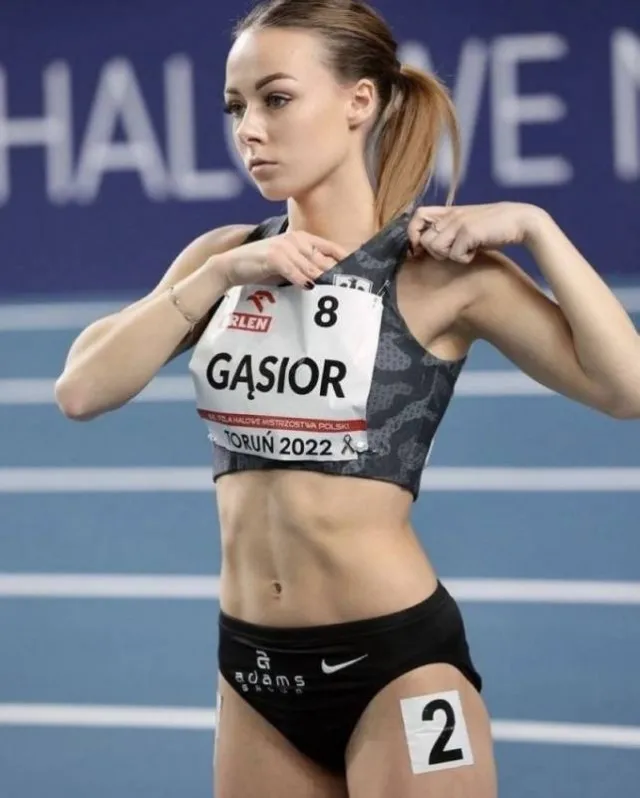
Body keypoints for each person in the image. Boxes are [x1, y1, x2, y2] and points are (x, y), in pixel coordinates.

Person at [54, 0, 640, 796]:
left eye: (276, 98)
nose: (249, 129)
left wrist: (538, 228)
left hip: (394, 664)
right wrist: (220, 275)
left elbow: (625, 388)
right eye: (236, 107)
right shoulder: (226, 258)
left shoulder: (438, 274)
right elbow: (81, 390)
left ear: (359, 101)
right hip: (254, 671)